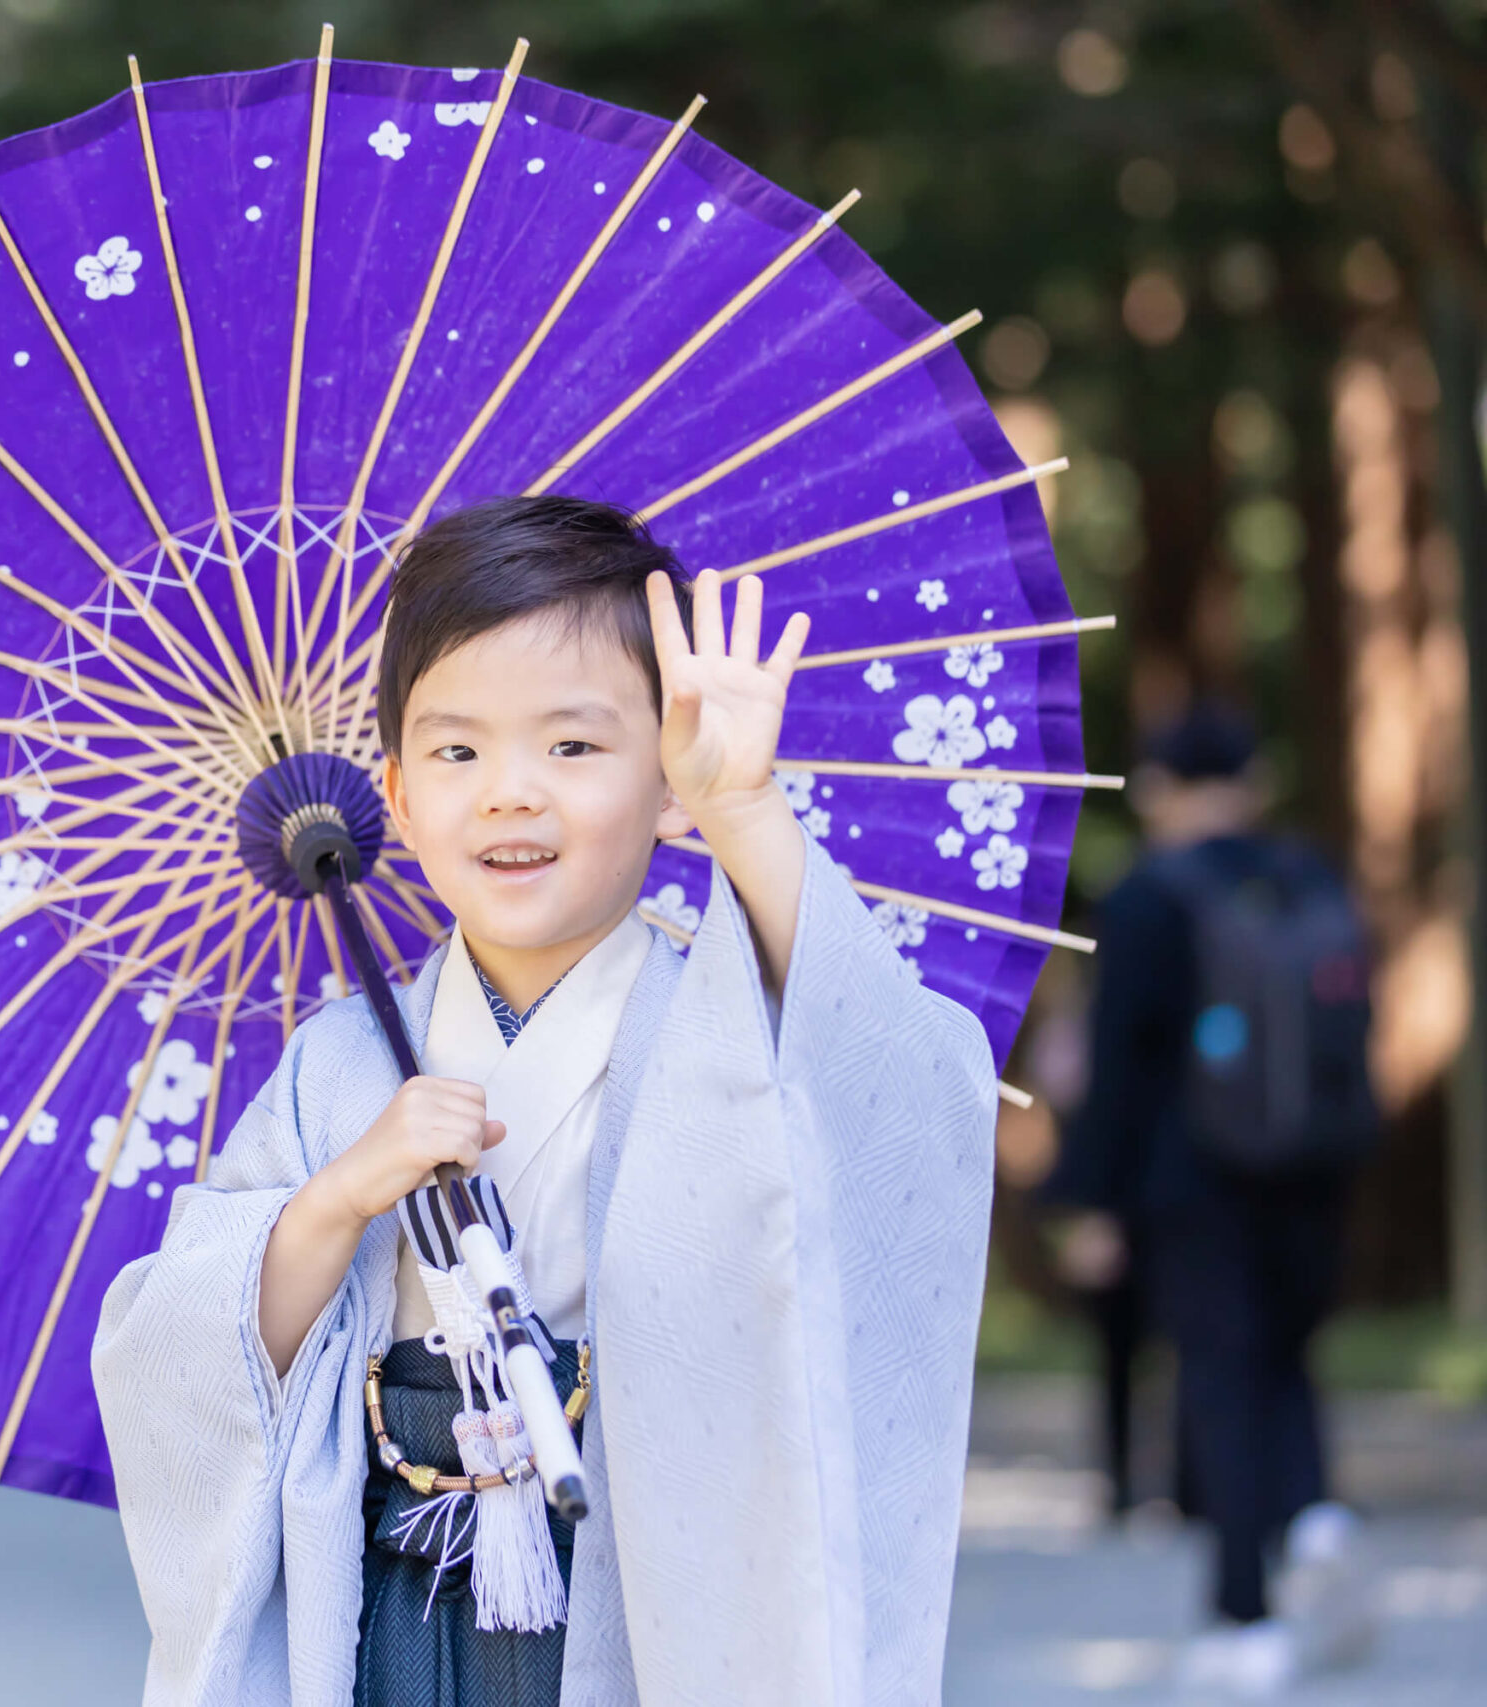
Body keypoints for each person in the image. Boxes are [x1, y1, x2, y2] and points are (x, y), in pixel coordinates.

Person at [93, 497, 1000, 1706]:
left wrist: (747, 815)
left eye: (571, 748)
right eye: (457, 751)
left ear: (669, 781)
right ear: (396, 797)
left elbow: (903, 1105)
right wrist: (340, 1195)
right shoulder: (338, 1066)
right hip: (395, 1596)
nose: (510, 793)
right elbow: (178, 1351)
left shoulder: (726, 1032)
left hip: (651, 1589)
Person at [1044, 703, 1375, 1694]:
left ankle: (1246, 1617)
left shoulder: (1151, 897)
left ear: (1155, 790)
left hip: (1193, 1181)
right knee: (1286, 1352)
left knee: (1219, 1378)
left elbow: (1120, 1072)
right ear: (1255, 781)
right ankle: (1313, 1513)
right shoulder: (1308, 877)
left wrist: (1090, 1199)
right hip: (1314, 1169)